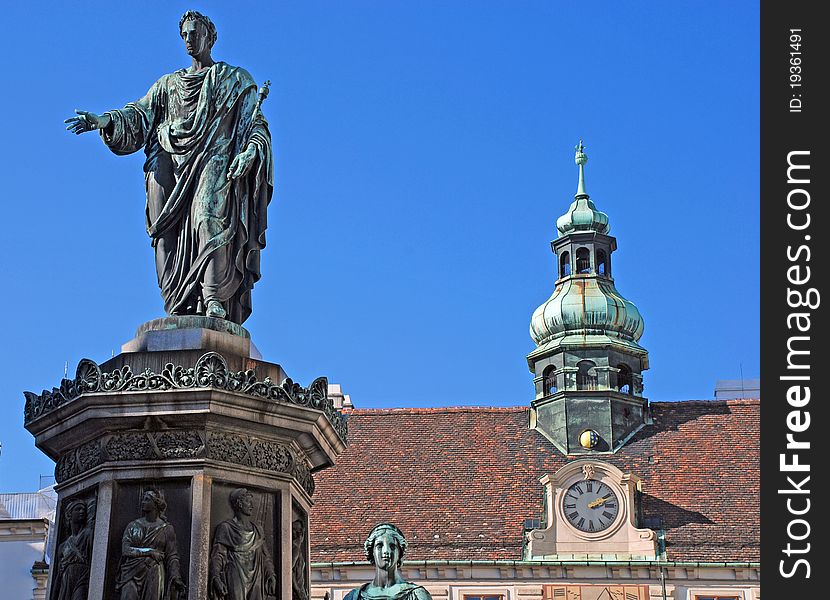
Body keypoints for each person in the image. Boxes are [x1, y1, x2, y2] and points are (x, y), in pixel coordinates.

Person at [64, 11, 273, 324]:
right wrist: (103, 120)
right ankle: (177, 301)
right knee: (164, 234)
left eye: (195, 33)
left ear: (210, 37)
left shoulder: (235, 80)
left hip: (213, 160)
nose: (189, 40)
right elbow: (139, 115)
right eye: (185, 35)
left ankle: (212, 295)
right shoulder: (168, 85)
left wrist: (250, 152)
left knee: (208, 219)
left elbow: (255, 125)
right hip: (167, 163)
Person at [115, 489, 186, 600]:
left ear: (156, 504)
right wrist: (150, 552)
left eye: (147, 499)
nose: (143, 502)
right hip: (131, 571)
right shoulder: (133, 526)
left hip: (153, 571)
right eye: (143, 499)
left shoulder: (167, 529)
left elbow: (172, 556)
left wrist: (176, 576)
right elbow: (125, 550)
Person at [209, 488, 277, 600]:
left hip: (257, 575)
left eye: (252, 501)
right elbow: (218, 556)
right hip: (235, 573)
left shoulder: (258, 530)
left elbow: (265, 557)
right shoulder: (226, 528)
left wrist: (270, 574)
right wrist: (216, 577)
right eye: (248, 501)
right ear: (239, 504)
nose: (252, 505)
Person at [344, 524, 432, 600]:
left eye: (392, 546)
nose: (386, 551)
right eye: (380, 545)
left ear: (399, 554)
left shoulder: (418, 595)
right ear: (372, 552)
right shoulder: (353, 597)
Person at [52, 499, 93, 600]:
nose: (82, 512)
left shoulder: (88, 535)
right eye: (78, 509)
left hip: (83, 576)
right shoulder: (63, 546)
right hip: (66, 580)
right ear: (69, 514)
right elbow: (58, 573)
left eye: (83, 509)